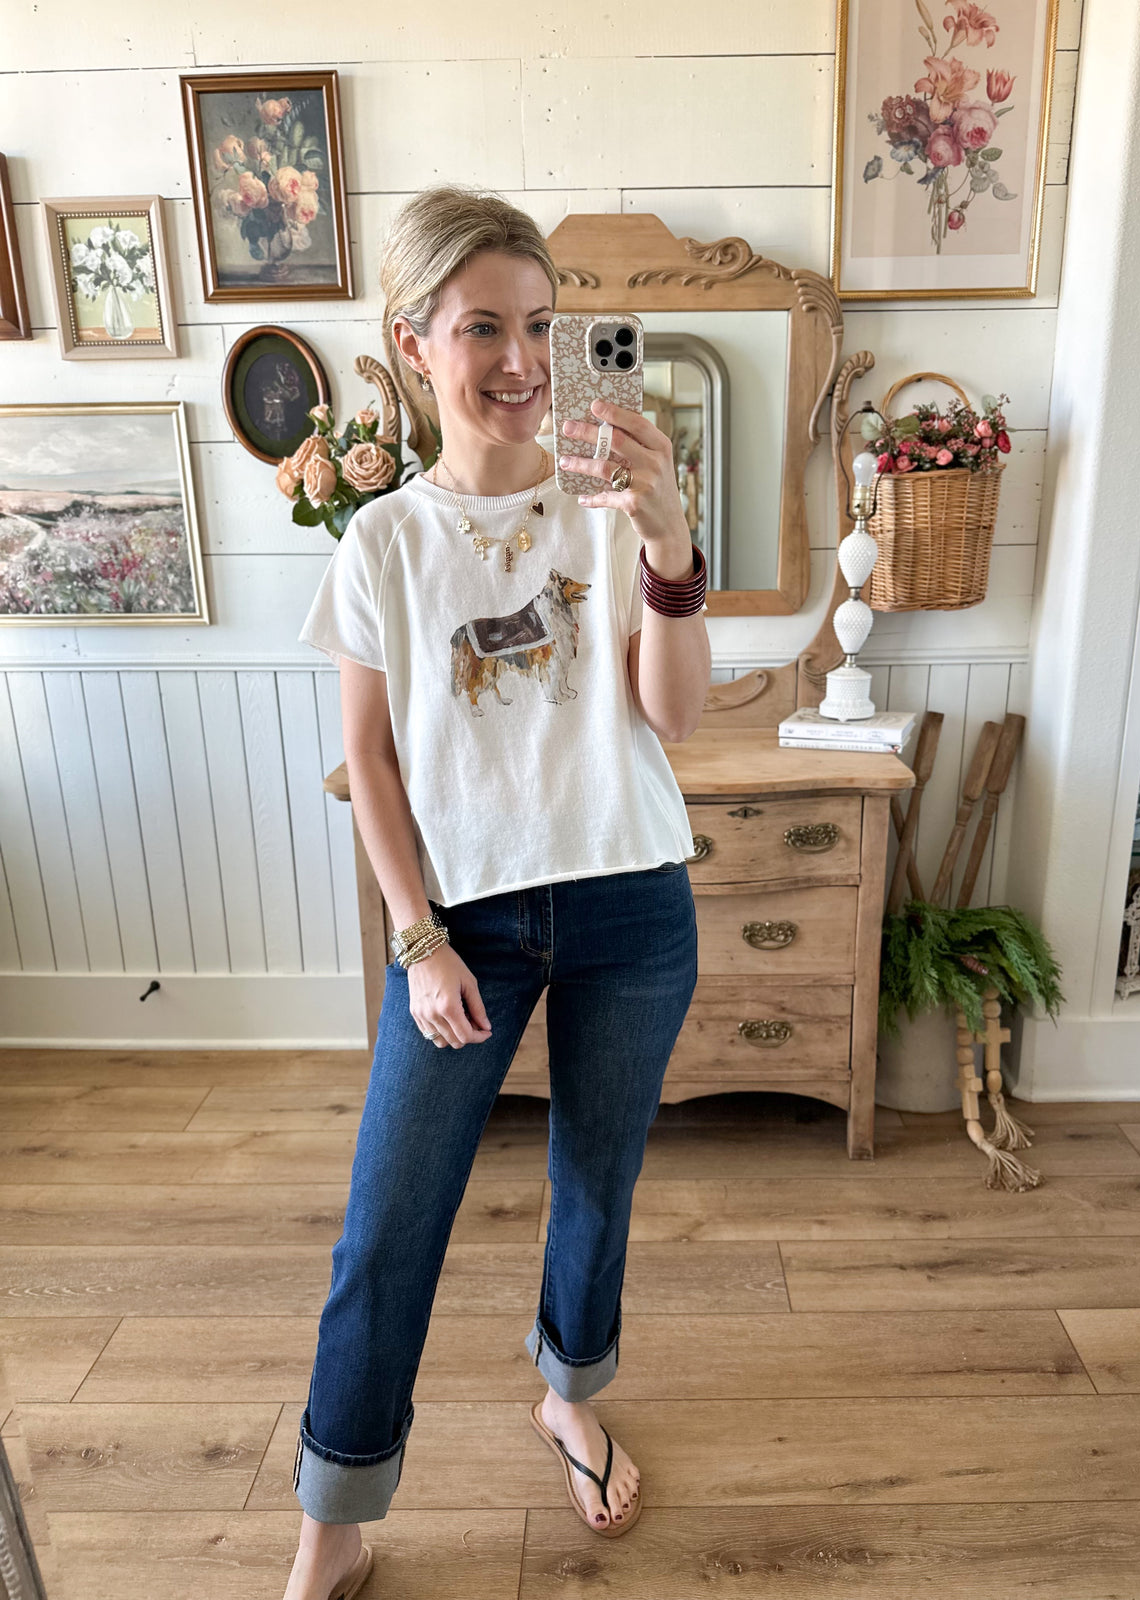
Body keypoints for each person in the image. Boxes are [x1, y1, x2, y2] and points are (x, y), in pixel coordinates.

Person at [284, 184, 711, 1600]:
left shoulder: (609, 503)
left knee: (600, 1179)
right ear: (417, 343)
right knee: (391, 1217)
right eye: (485, 327)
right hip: (463, 925)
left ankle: (569, 1393)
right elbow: (370, 764)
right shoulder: (382, 546)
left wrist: (666, 550)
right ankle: (333, 1522)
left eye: (542, 324)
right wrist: (417, 943)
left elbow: (676, 718)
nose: (523, 358)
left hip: (631, 901)